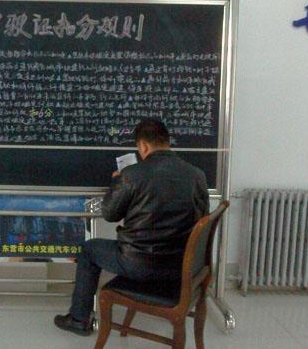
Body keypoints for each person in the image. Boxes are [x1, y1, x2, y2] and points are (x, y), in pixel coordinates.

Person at [54, 119, 210, 336]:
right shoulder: (197, 175)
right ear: (167, 142)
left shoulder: (132, 175)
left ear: (143, 146)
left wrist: (117, 183)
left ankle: (79, 319)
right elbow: (202, 217)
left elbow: (110, 214)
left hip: (139, 263)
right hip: (180, 265)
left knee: (89, 250)